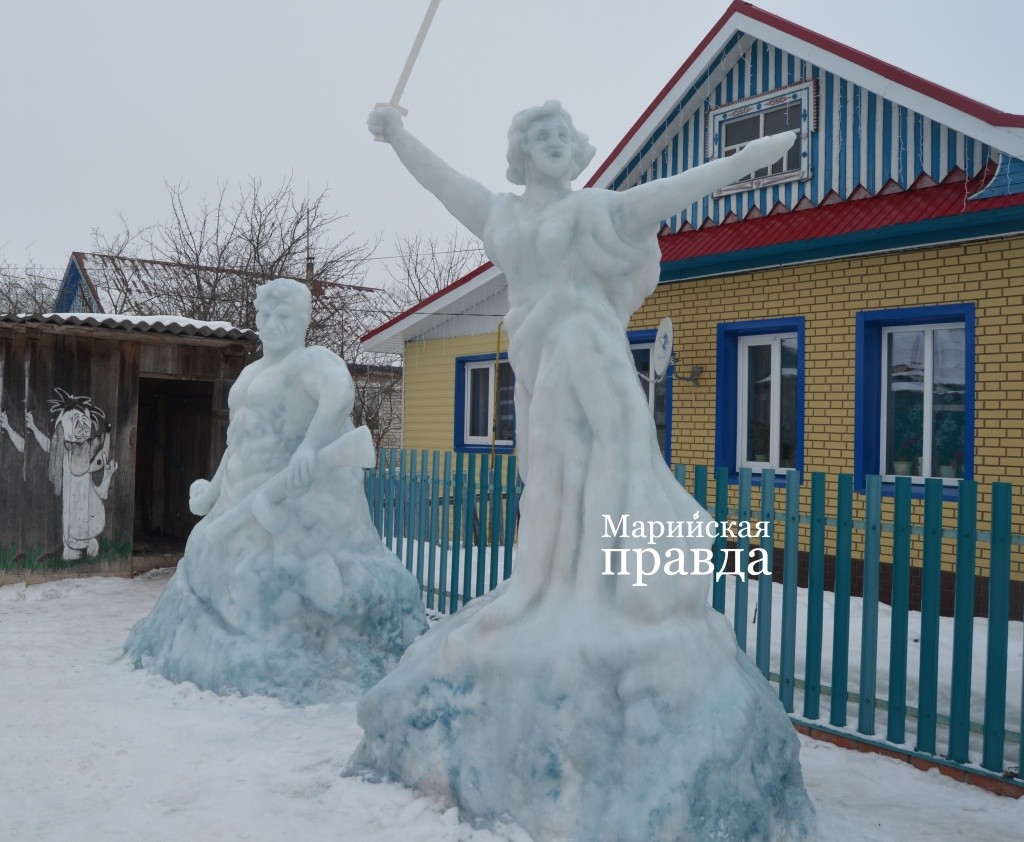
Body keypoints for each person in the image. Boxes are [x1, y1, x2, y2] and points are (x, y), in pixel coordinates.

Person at [368, 101, 796, 623]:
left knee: (607, 459)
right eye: (541, 135)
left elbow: (663, 194)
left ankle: (594, 595)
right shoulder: (499, 213)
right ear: (521, 152)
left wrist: (741, 162)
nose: (554, 141)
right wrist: (397, 137)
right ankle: (548, 586)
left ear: (574, 152)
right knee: (547, 472)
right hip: (534, 356)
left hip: (584, 343)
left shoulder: (595, 209)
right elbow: (443, 181)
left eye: (563, 136)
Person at [125, 278, 426, 702]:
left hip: (293, 506)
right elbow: (236, 443)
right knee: (201, 555)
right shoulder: (249, 373)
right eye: (264, 315)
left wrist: (309, 446)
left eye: (283, 316)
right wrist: (211, 491)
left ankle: (311, 643)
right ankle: (204, 652)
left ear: (303, 320)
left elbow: (339, 395)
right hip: (237, 504)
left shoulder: (312, 361)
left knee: (266, 584)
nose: (272, 324)